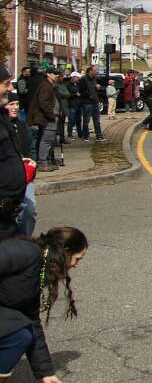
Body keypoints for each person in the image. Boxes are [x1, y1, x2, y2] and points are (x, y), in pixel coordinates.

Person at [0, 226, 88, 383]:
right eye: (77, 259)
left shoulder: (40, 272)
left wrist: (45, 373)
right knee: (17, 332)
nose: (76, 265)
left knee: (21, 334)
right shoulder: (25, 252)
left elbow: (32, 321)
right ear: (65, 252)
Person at [0, 66, 32, 242]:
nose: (10, 88)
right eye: (6, 84)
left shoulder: (4, 116)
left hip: (9, 206)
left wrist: (19, 163)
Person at [26, 68, 63, 169]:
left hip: (48, 117)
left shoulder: (49, 85)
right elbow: (43, 103)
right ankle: (43, 162)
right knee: (46, 139)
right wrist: (51, 115)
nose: (57, 75)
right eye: (54, 73)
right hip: (47, 118)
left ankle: (48, 160)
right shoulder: (45, 85)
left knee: (48, 140)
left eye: (57, 73)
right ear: (48, 74)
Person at [76, 67, 103, 142]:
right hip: (87, 102)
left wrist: (98, 88)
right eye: (95, 70)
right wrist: (89, 96)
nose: (96, 72)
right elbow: (81, 90)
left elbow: (96, 88)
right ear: (90, 71)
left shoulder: (95, 79)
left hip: (95, 101)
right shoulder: (83, 79)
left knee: (97, 120)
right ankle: (85, 135)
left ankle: (99, 135)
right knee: (86, 120)